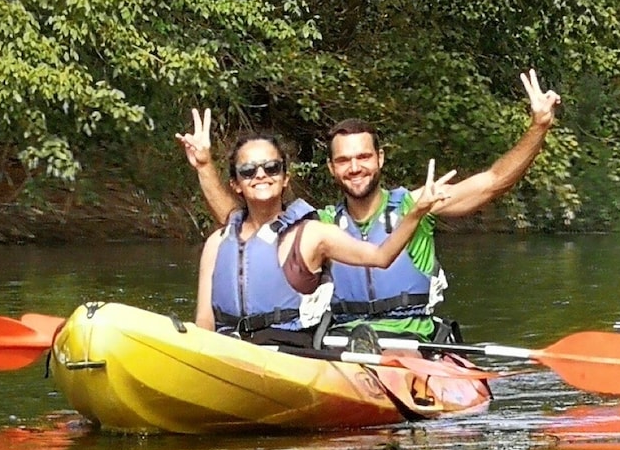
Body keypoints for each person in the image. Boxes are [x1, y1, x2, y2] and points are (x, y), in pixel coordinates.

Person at [178, 69, 561, 346]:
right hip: (345, 344)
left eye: (363, 157)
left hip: (415, 340)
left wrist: (538, 127)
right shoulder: (320, 224)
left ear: (380, 159)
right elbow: (241, 225)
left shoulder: (417, 204)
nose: (355, 167)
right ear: (331, 167)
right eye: (344, 160)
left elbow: (494, 182)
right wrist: (204, 166)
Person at [193, 132, 456, 349]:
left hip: (288, 350)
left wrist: (416, 213)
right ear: (236, 184)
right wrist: (204, 167)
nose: (261, 175)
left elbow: (381, 256)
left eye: (272, 167)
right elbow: (204, 321)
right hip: (229, 348)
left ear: (285, 178)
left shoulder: (314, 232)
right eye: (248, 171)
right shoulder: (219, 242)